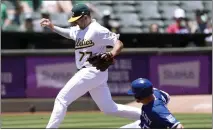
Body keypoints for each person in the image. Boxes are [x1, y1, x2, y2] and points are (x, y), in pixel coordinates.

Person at [40, 4, 141, 128]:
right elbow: (69, 33)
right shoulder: (78, 29)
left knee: (61, 99)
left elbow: (118, 43)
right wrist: (52, 27)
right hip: (94, 73)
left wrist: (111, 53)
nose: (76, 21)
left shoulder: (97, 30)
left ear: (85, 17)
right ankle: (147, 116)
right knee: (109, 108)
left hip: (92, 70)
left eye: (77, 19)